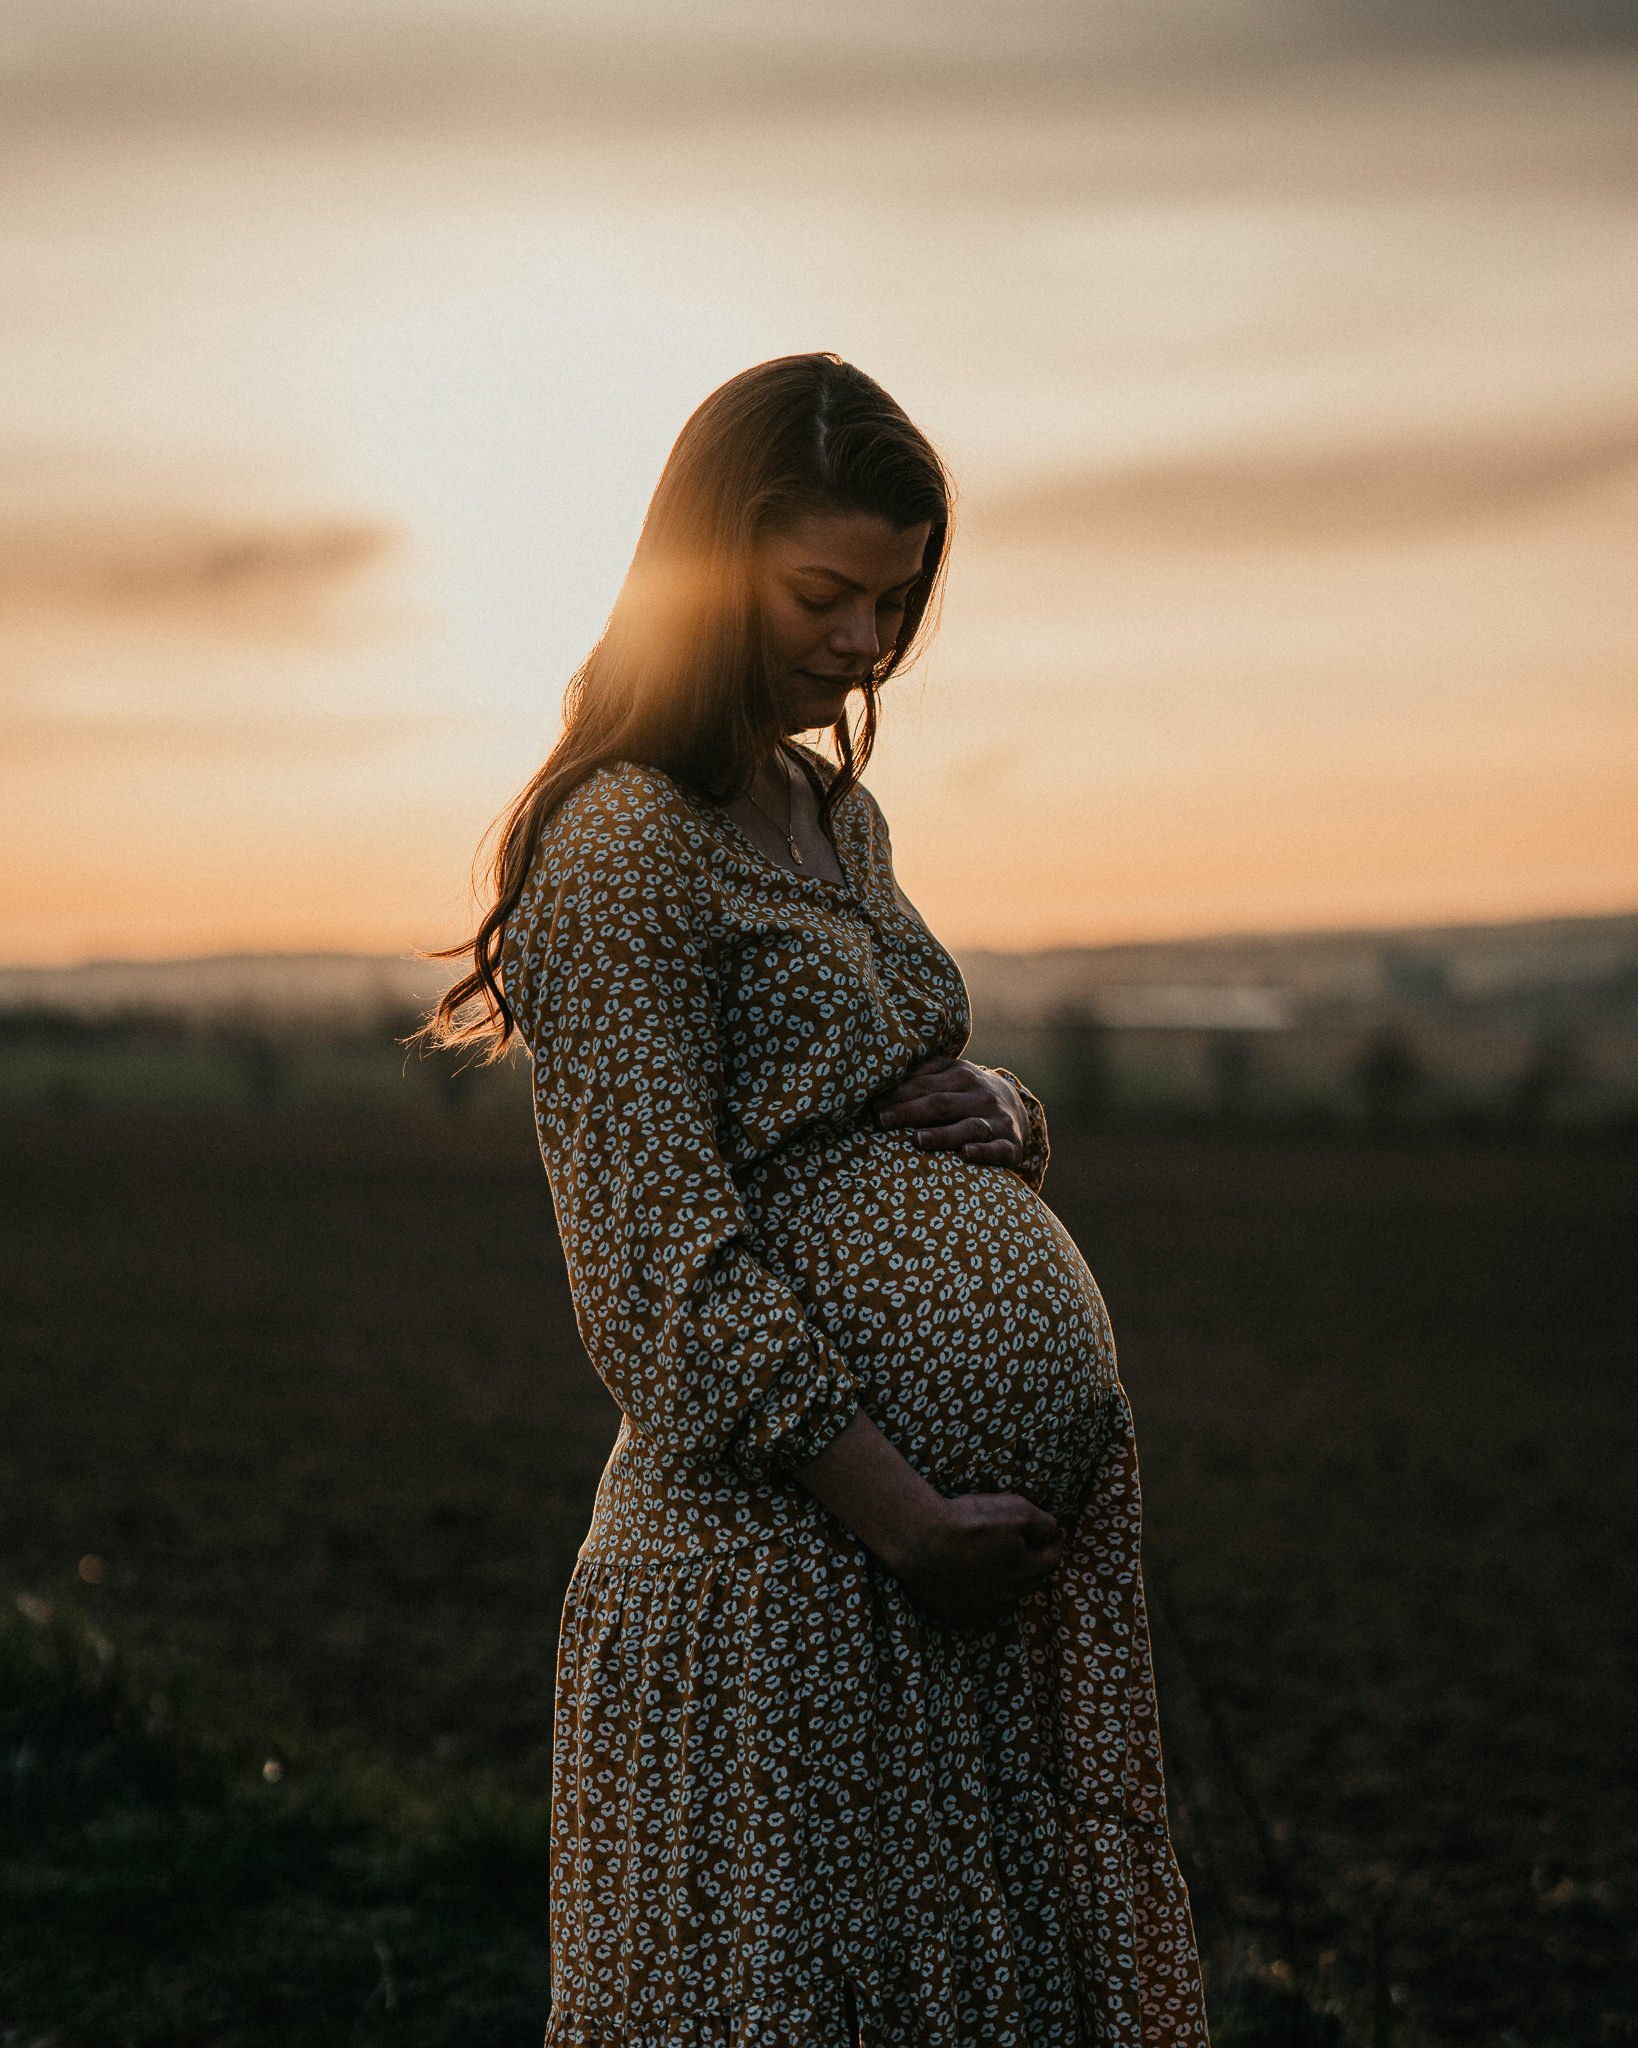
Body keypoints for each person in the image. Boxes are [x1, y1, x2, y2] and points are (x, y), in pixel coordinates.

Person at [426, 354, 1208, 2046]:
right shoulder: (625, 840)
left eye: (894, 601)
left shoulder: (832, 816)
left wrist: (1008, 1107)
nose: (865, 645)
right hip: (779, 1585)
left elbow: (879, 1099)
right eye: (823, 595)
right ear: (706, 568)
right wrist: (905, 1517)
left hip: (922, 1613)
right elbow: (657, 1270)